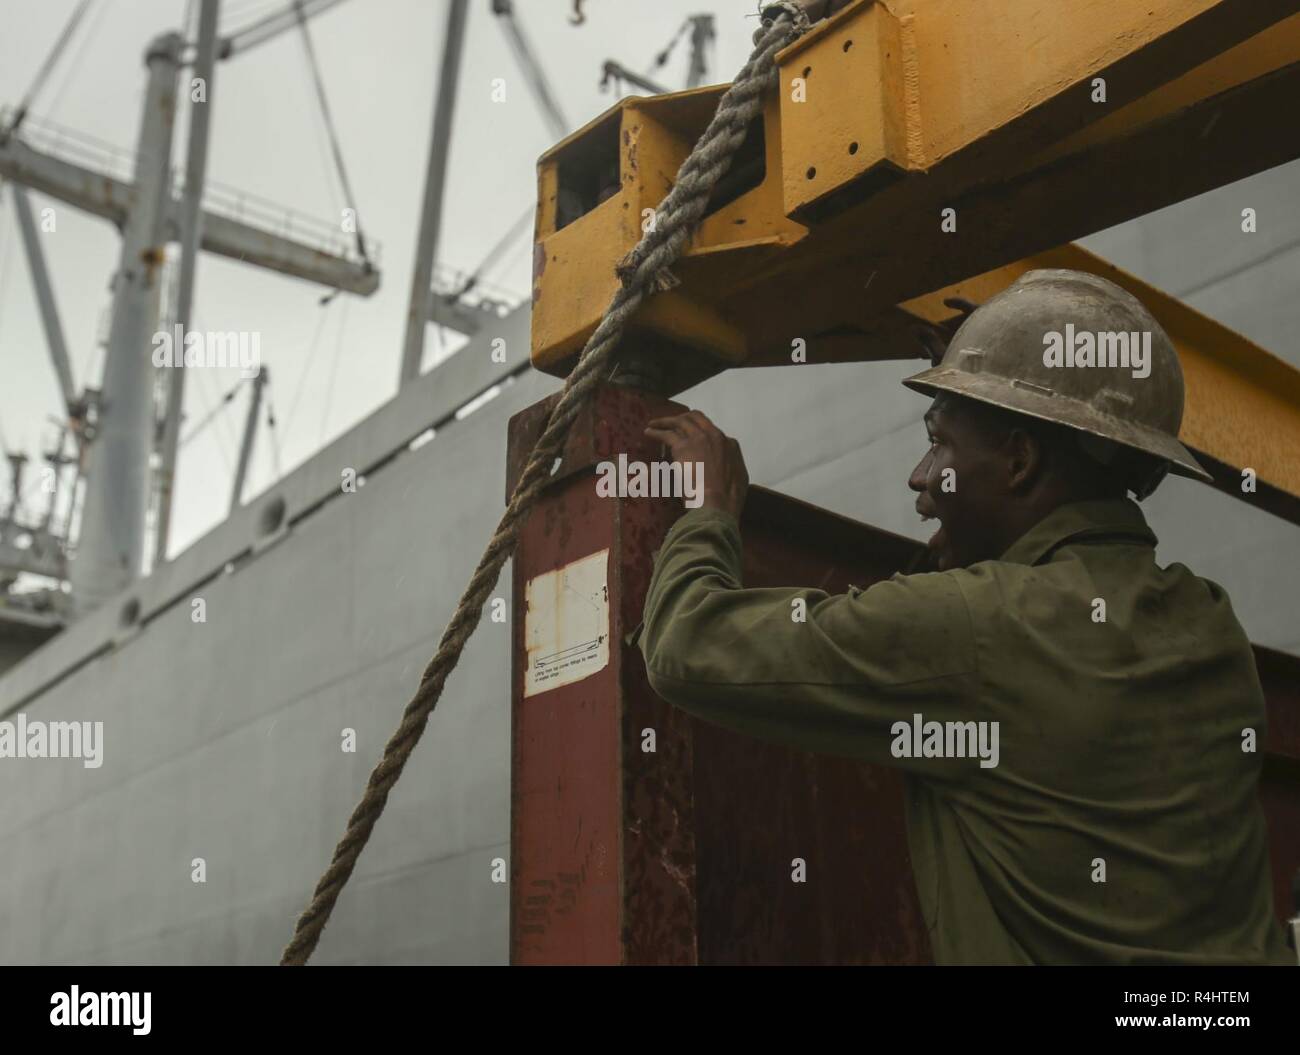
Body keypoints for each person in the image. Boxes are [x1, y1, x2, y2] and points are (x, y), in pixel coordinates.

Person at [636, 268, 1293, 965]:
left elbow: (684, 644)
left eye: (942, 442)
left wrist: (708, 515)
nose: (921, 476)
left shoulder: (971, 629)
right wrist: (990, 377)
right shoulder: (1208, 621)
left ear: (1019, 460)